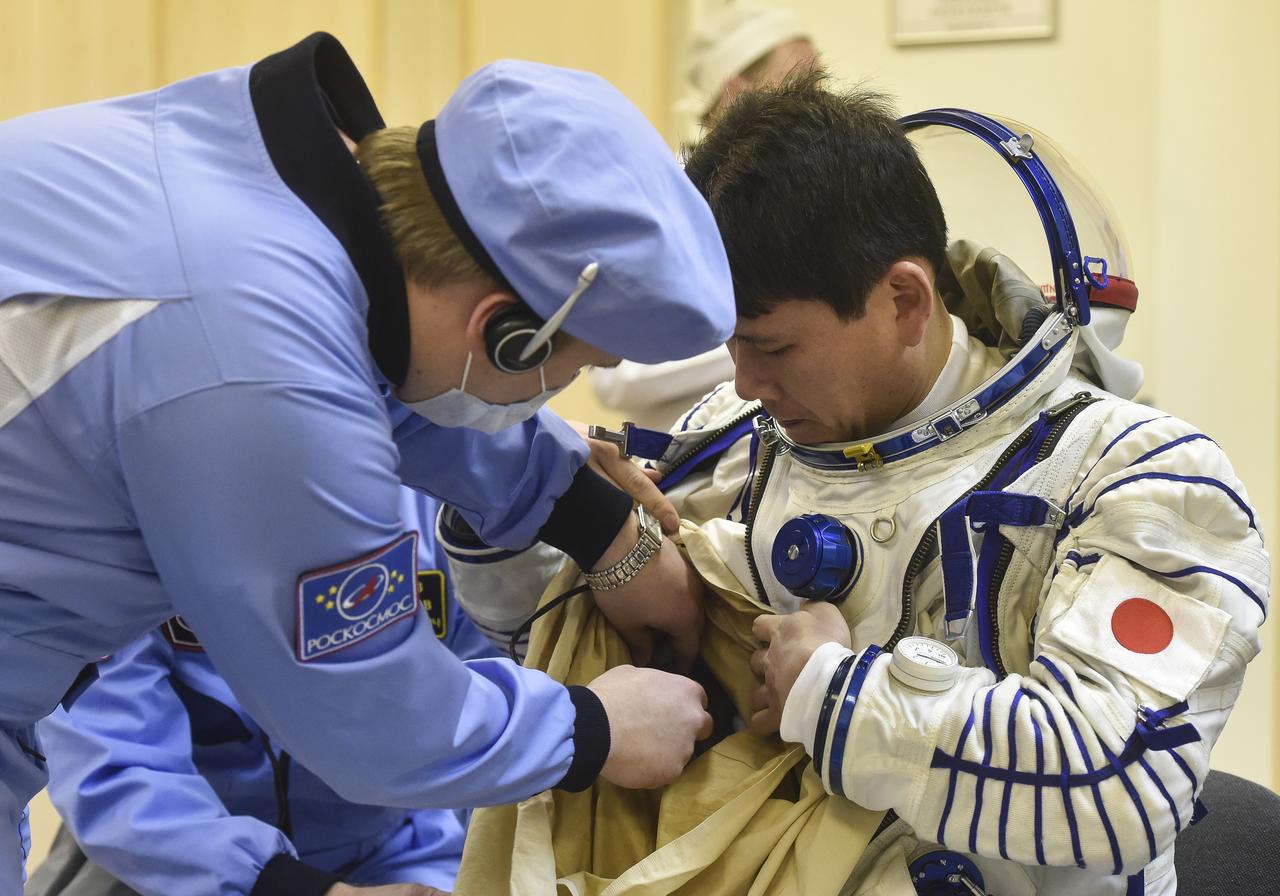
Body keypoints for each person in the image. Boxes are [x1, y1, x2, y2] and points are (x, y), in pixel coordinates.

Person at [447, 73, 1268, 894]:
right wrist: (543, 521)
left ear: (905, 299)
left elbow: (1122, 787)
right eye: (729, 344)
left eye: (771, 347)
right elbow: (551, 649)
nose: (745, 380)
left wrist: (833, 696)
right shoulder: (732, 439)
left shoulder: (1136, 476)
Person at [0, 32, 728, 891]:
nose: (560, 392)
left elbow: (372, 374)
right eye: (574, 365)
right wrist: (592, 728)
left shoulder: (272, 199)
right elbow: (372, 716)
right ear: (505, 328)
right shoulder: (246, 357)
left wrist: (598, 524)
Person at [24, 490, 491, 896]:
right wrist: (292, 887)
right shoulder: (124, 529)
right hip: (160, 857)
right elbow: (114, 762)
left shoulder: (432, 513)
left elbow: (485, 721)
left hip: (391, 846)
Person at [588, 3, 818, 430]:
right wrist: (775, 335)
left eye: (818, 83)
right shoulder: (663, 198)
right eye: (796, 86)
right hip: (687, 461)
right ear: (733, 93)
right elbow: (614, 374)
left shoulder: (810, 189)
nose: (817, 103)